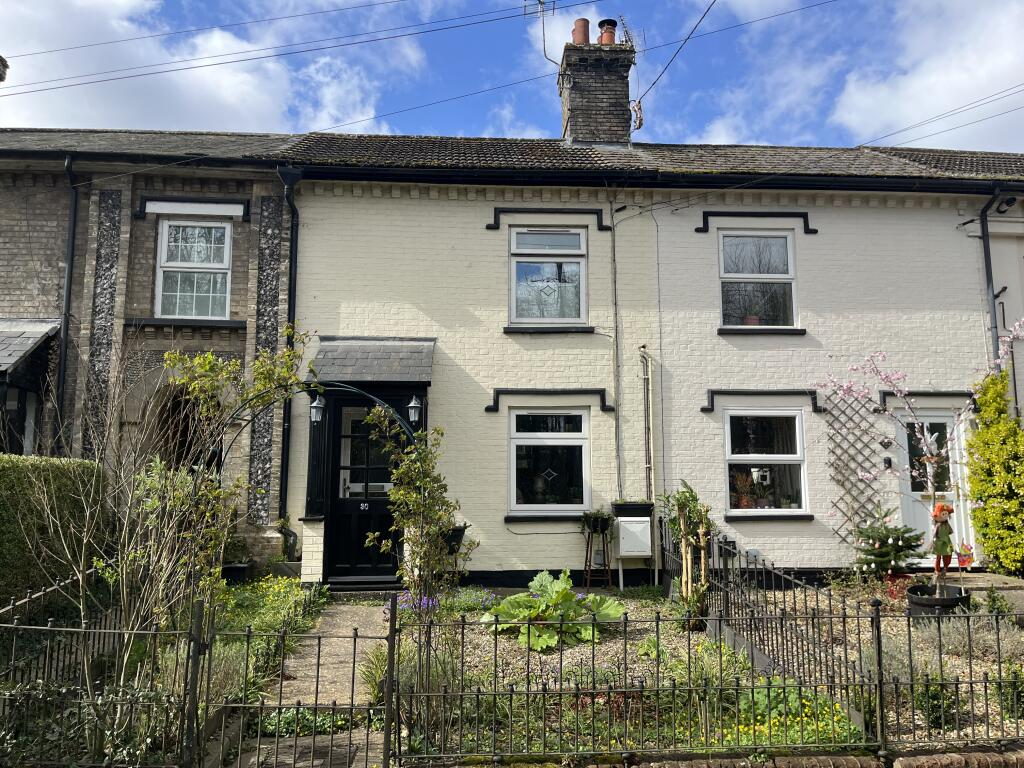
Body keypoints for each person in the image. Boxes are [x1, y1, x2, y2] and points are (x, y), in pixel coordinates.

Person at [931, 503, 954, 584]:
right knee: (938, 556)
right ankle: (937, 570)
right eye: (943, 514)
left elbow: (950, 531)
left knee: (948, 555)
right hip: (939, 542)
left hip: (946, 542)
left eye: (946, 514)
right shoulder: (937, 525)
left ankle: (945, 568)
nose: (945, 516)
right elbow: (934, 534)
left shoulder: (946, 524)